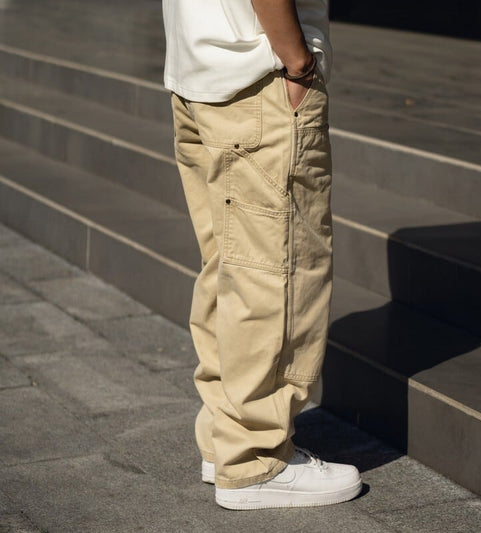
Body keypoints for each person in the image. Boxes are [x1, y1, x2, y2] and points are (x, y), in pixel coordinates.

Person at [163, 0, 362, 509]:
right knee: (277, 271)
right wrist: (297, 61)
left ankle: (226, 440)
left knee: (230, 269)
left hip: (199, 75)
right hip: (260, 79)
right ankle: (255, 458)